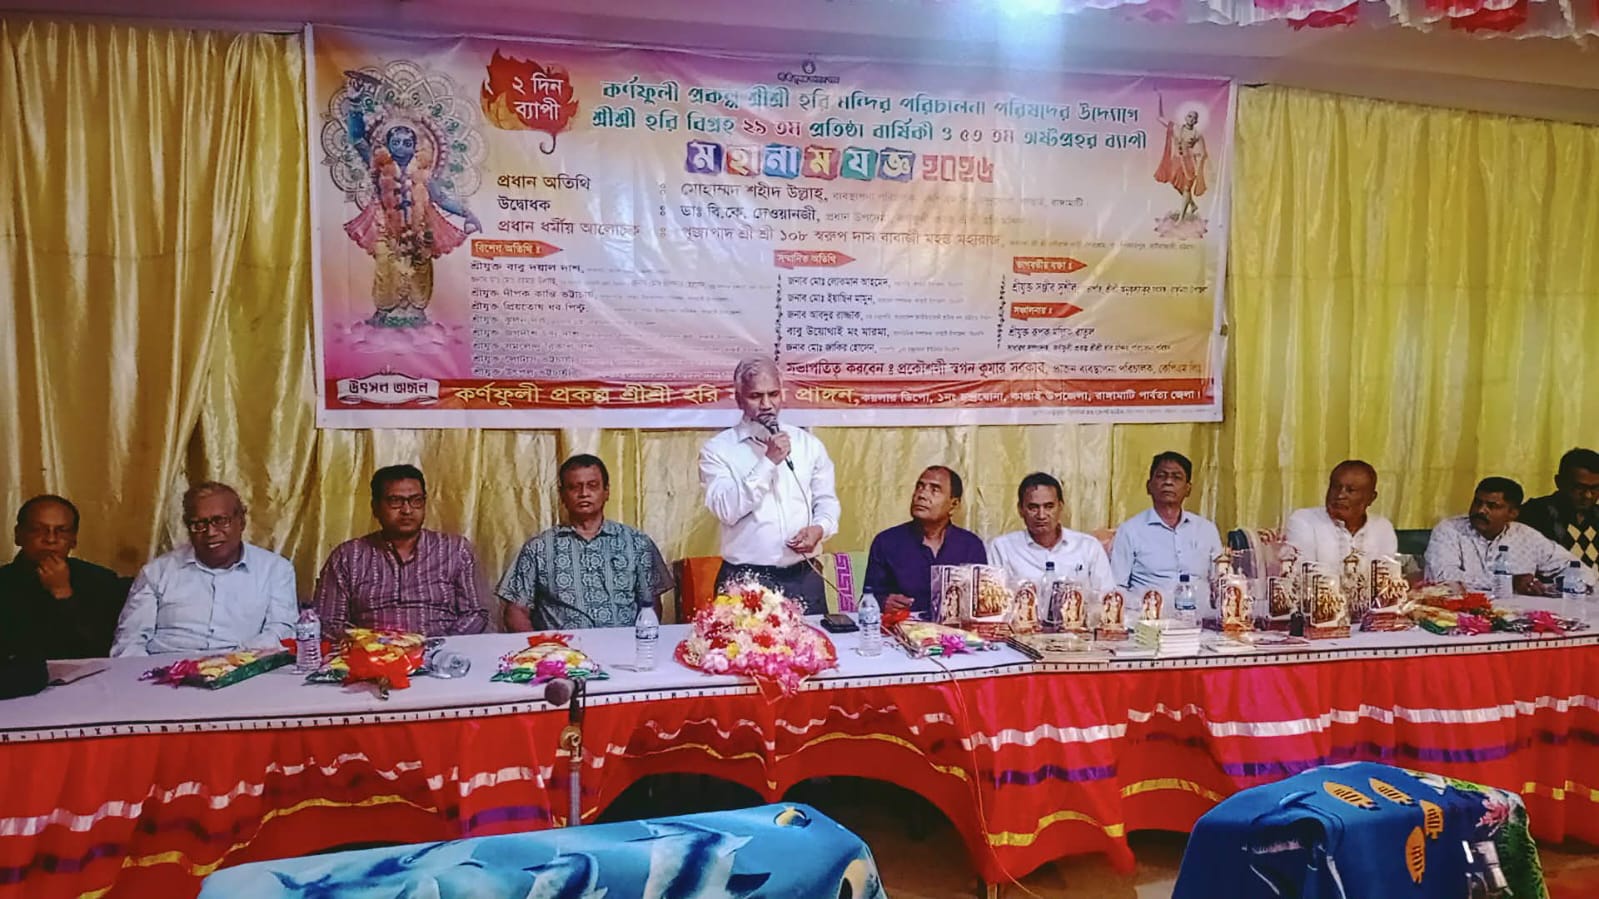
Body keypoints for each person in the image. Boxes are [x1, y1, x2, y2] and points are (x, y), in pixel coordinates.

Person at [698, 357, 840, 615]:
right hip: (745, 579)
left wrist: (820, 528)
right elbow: (727, 510)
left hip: (803, 576)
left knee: (813, 641)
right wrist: (768, 461)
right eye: (755, 396)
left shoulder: (807, 444)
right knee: (744, 642)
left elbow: (826, 501)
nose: (766, 405)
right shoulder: (718, 450)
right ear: (739, 399)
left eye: (773, 394)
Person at [110, 483, 297, 656]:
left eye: (220, 521)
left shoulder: (275, 570)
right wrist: (147, 676)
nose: (210, 532)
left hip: (241, 669)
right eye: (199, 524)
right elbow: (129, 641)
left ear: (241, 522)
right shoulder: (156, 572)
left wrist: (231, 664)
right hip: (162, 670)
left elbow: (281, 631)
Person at [498, 454, 673, 631]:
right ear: (562, 495)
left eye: (592, 486)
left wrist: (638, 644)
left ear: (606, 491)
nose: (584, 493)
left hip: (623, 646)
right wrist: (542, 646)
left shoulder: (637, 543)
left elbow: (651, 607)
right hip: (562, 647)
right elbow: (516, 612)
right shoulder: (538, 548)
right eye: (574, 487)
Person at [312, 464, 489, 637]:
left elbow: (476, 613)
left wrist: (440, 644)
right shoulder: (348, 556)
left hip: (442, 649)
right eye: (395, 501)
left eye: (416, 500)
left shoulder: (455, 550)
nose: (407, 510)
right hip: (372, 651)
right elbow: (329, 621)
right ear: (375, 507)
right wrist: (371, 643)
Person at [0, 495, 125, 659]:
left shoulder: (100, 581)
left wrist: (63, 593)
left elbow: (101, 650)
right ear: (19, 535)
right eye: (38, 529)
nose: (50, 539)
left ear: (74, 539)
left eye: (62, 531)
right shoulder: (4, 582)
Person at [1425, 477, 1590, 596]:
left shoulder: (1527, 536)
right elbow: (1441, 577)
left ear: (1513, 513)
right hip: (1460, 614)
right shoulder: (1449, 530)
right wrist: (1509, 582)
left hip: (1519, 616)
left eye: (1492, 506)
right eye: (1477, 502)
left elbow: (1580, 570)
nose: (1481, 510)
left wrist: (1553, 586)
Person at [863, 466, 987, 616]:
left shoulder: (971, 546)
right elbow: (867, 599)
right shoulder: (887, 542)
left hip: (955, 629)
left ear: (953, 504)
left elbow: (981, 601)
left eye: (934, 490)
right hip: (901, 627)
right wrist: (883, 603)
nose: (921, 495)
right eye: (919, 487)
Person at [1110, 452, 1224, 590]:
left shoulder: (1206, 530)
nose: (1168, 482)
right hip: (1148, 604)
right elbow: (1117, 586)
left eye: (1177, 477)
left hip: (1200, 604)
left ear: (1188, 489)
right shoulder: (1130, 530)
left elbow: (1220, 583)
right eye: (1161, 476)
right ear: (1149, 486)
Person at [987, 472, 1114, 594]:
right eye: (1033, 508)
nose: (1041, 515)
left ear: (1061, 507)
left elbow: (1107, 596)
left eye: (1049, 506)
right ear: (1020, 510)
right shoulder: (1002, 548)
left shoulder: (1088, 547)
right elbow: (996, 601)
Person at [1284, 460, 1398, 568]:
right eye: (1335, 487)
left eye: (1350, 490)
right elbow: (1303, 573)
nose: (1339, 495)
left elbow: (1386, 574)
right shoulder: (1305, 520)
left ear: (1371, 498)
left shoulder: (1382, 528)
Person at [1520, 447, 1599, 570]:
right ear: (1559, 482)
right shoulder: (1535, 513)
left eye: (1595, 488)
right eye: (1579, 487)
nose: (1587, 495)